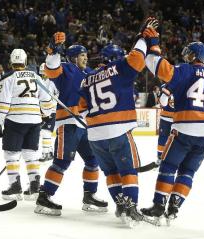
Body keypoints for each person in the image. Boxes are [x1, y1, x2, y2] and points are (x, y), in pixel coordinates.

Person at [140, 26, 204, 224]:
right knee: (188, 171)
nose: (186, 55)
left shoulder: (184, 70)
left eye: (189, 53)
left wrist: (153, 45)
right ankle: (173, 208)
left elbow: (153, 63)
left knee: (168, 166)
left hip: (186, 128)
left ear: (194, 55)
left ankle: (157, 207)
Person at [78, 17, 159, 226]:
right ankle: (130, 207)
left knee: (111, 173)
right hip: (119, 131)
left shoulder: (86, 80)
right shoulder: (120, 67)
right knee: (128, 172)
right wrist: (143, 37)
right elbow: (137, 57)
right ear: (116, 57)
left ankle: (121, 206)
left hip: (95, 136)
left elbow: (81, 109)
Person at [34, 32, 108, 216]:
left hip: (86, 126)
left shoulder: (89, 73)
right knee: (61, 162)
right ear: (74, 57)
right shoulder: (66, 69)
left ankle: (89, 195)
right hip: (68, 123)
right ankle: (44, 197)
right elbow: (51, 68)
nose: (85, 58)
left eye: (85, 55)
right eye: (82, 55)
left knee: (93, 161)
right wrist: (53, 51)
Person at [0, 49, 54, 201]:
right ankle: (34, 187)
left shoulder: (8, 78)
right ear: (25, 62)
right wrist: (46, 114)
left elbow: (3, 103)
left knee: (11, 154)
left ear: (11, 62)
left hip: (15, 121)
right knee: (31, 154)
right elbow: (46, 99)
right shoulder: (37, 77)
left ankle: (14, 186)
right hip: (34, 121)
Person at [38, 63, 58, 162]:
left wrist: (53, 104)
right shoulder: (39, 82)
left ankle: (45, 153)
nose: (43, 74)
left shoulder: (52, 83)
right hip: (42, 111)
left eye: (44, 72)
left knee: (46, 132)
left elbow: (58, 95)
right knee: (44, 132)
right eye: (42, 73)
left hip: (52, 111)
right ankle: (49, 151)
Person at [156, 85, 174, 163]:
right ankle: (160, 157)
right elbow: (162, 103)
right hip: (166, 119)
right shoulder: (164, 86)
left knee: (179, 141)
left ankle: (174, 159)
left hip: (177, 119)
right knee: (163, 139)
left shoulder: (182, 84)